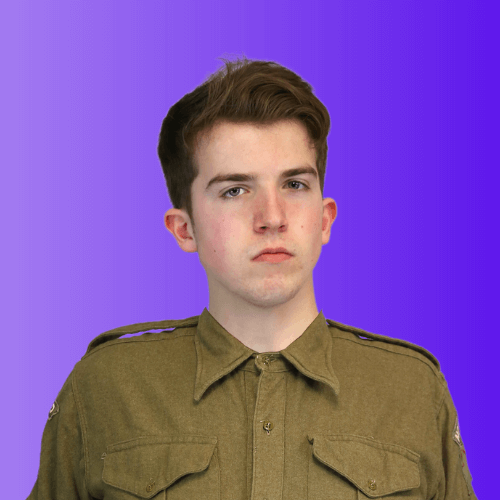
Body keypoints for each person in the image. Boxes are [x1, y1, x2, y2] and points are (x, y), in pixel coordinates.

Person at [27, 56, 477, 499]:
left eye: (294, 185)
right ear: (184, 229)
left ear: (324, 219)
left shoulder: (412, 390)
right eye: (235, 190)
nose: (272, 217)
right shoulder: (106, 385)